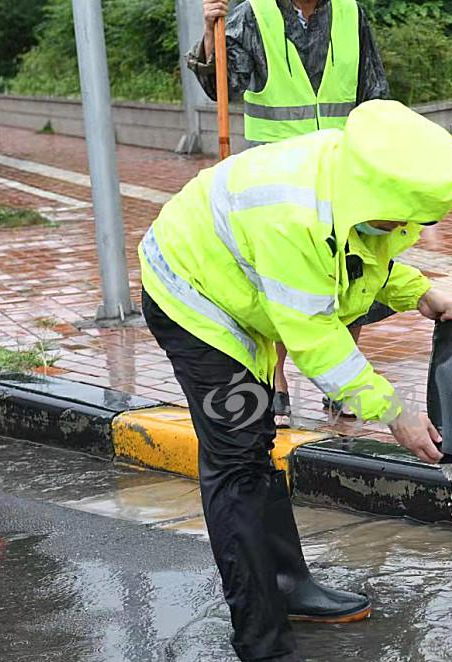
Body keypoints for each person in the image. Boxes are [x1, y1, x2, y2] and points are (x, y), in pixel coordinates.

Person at [139, 101, 452, 662]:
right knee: (237, 462)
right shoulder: (293, 216)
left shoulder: (350, 183)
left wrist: (419, 292)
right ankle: (262, 643)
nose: (405, 234)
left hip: (243, 287)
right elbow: (316, 337)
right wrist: (394, 414)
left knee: (257, 443)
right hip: (194, 300)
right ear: (379, 199)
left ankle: (290, 585)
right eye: (402, 223)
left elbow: (359, 254)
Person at [189, 0, 392, 418]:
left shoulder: (350, 13)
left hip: (340, 169)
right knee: (280, 277)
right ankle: (274, 376)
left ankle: (344, 381)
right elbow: (223, 85)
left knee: (350, 273)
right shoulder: (252, 14)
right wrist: (211, 36)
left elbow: (374, 93)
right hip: (277, 176)